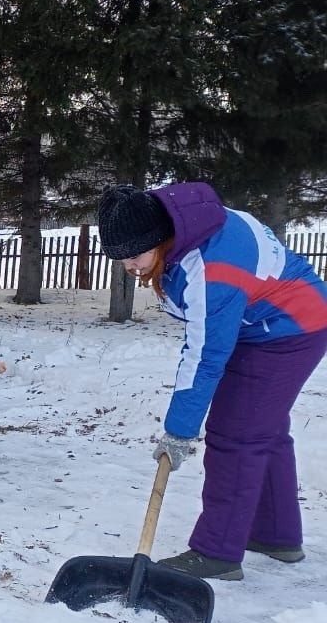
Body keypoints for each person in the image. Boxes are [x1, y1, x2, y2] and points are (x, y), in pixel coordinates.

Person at [97, 182, 327, 580]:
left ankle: (217, 552)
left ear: (159, 239)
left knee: (237, 433)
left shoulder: (211, 269)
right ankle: (276, 536)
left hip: (291, 328)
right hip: (261, 323)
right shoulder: (180, 229)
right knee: (262, 428)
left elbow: (204, 358)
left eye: (135, 255)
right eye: (120, 258)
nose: (130, 266)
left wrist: (178, 432)